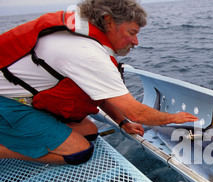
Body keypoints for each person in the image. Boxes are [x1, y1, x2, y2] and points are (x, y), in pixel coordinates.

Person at [0, 0, 198, 165]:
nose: (136, 41)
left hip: (24, 99)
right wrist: (172, 118)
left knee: (90, 132)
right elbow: (136, 112)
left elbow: (102, 97)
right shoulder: (85, 52)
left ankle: (27, 136)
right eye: (131, 32)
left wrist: (122, 122)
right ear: (108, 21)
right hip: (7, 103)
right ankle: (4, 150)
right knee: (80, 152)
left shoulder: (80, 35)